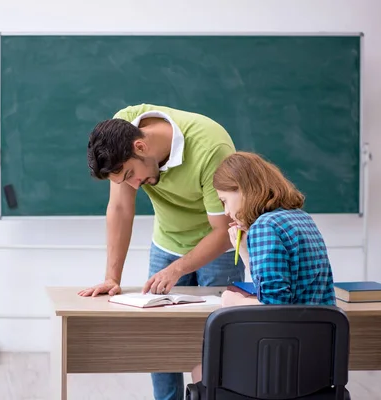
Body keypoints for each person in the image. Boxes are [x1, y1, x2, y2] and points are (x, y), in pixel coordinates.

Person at [80, 103, 245, 400]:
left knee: (221, 341)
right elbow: (119, 206)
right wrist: (111, 277)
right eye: (123, 180)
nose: (133, 184)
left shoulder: (211, 147)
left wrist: (177, 269)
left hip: (218, 247)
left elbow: (224, 231)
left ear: (141, 145)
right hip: (167, 243)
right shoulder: (121, 129)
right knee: (160, 343)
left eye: (131, 174)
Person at [190, 151, 336, 384]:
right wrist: (246, 251)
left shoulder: (265, 226)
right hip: (316, 359)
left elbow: (275, 307)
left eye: (225, 201)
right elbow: (274, 290)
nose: (226, 212)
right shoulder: (300, 217)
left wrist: (232, 301)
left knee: (201, 372)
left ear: (242, 188)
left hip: (282, 356)